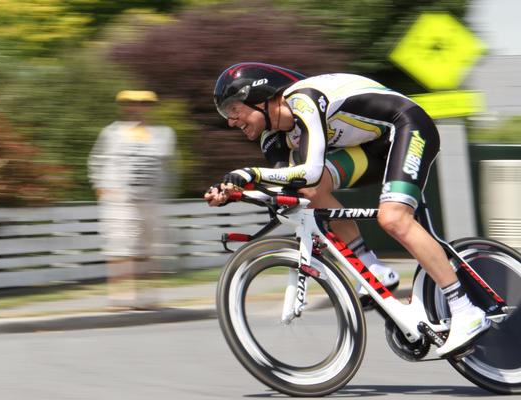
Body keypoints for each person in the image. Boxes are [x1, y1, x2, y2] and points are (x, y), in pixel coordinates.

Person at [204, 62, 490, 357]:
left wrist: (251, 173)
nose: (230, 121)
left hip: (408, 127)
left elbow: (311, 170)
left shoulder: (303, 98)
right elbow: (288, 185)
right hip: (372, 149)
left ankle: (465, 310)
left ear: (261, 97)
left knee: (393, 219)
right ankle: (374, 269)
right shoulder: (273, 136)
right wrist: (235, 191)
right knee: (305, 192)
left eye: (233, 110)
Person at [89, 90, 175, 310]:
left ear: (150, 107)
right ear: (125, 107)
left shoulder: (163, 134)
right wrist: (103, 189)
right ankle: (119, 298)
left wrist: (163, 196)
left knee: (149, 248)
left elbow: (169, 168)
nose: (137, 108)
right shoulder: (113, 132)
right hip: (121, 202)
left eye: (143, 104)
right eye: (132, 104)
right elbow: (96, 161)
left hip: (150, 202)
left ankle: (148, 298)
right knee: (120, 248)